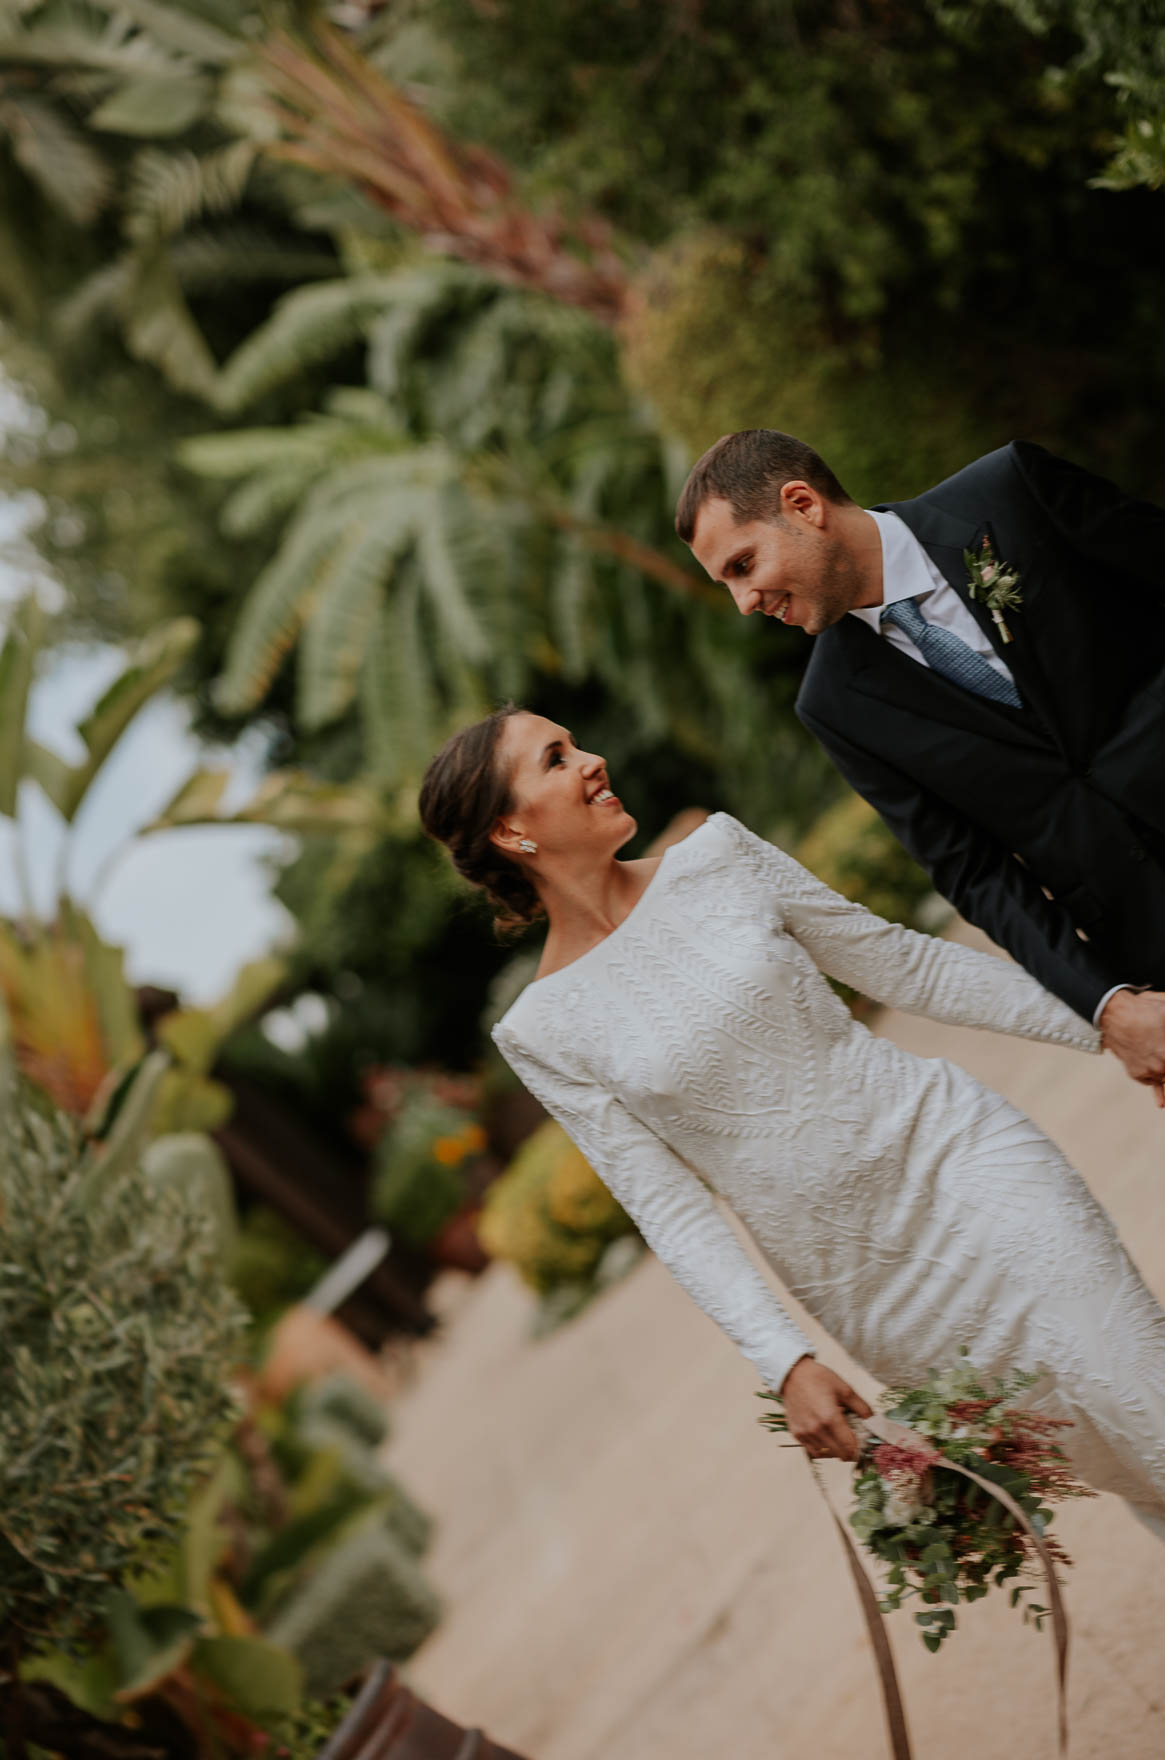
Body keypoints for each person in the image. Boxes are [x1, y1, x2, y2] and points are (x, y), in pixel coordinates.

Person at [419, 706, 1165, 1534]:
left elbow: (903, 963)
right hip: (869, 1289)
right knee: (1103, 1453)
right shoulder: (541, 1029)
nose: (592, 759)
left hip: (958, 1158)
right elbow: (667, 1205)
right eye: (556, 758)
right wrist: (784, 1360)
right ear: (510, 830)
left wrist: (1107, 1021)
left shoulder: (721, 857)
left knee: (1138, 1392)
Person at [674, 430, 1165, 1105]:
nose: (744, 601)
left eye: (742, 565)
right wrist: (1108, 1006)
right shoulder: (832, 706)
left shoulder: (1010, 492)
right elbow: (974, 875)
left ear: (801, 504)